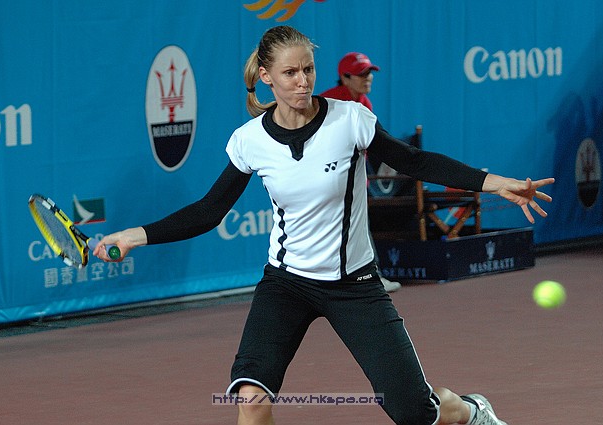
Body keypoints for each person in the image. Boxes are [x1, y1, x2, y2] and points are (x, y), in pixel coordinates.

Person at [94, 25, 554, 425]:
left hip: (354, 285)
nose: (303, 81)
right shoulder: (249, 141)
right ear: (266, 77)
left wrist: (496, 184)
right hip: (286, 284)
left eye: (308, 70)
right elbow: (208, 211)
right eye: (290, 73)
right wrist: (135, 236)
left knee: (414, 413)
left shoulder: (350, 120)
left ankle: (470, 410)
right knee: (251, 397)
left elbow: (414, 162)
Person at [320, 51, 402, 293]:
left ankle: (369, 277)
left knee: (357, 228)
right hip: (327, 179)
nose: (368, 78)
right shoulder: (328, 102)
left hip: (353, 178)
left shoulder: (364, 103)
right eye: (361, 74)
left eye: (369, 73)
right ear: (345, 78)